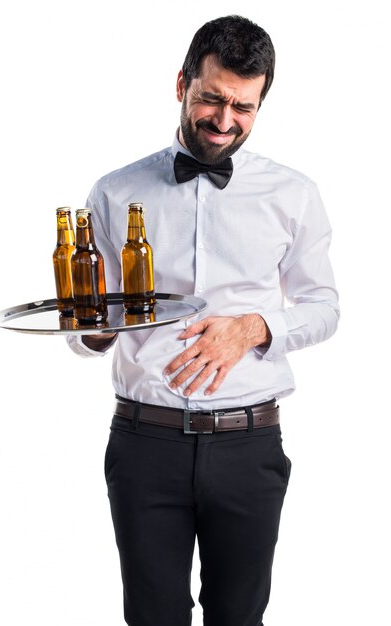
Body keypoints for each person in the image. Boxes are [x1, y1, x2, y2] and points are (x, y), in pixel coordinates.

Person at [68, 15, 339, 626]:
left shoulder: (293, 194)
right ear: (182, 84)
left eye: (243, 106)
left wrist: (254, 328)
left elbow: (325, 309)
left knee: (239, 619)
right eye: (212, 98)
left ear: (261, 102)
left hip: (250, 445)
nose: (224, 120)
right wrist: (97, 328)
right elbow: (89, 334)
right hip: (143, 445)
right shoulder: (113, 193)